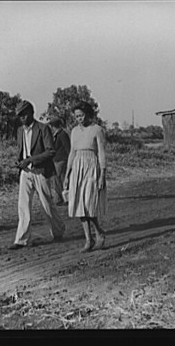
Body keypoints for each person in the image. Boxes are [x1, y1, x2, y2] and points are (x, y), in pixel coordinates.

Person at [9, 100, 65, 250]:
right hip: (25, 172)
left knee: (47, 203)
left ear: (31, 113)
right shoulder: (20, 130)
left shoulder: (43, 128)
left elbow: (50, 151)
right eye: (19, 116)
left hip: (41, 171)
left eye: (24, 115)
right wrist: (20, 161)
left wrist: (30, 160)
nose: (22, 118)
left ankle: (58, 231)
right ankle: (21, 239)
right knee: (23, 205)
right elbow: (22, 150)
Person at [64, 102, 107, 253]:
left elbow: (101, 153)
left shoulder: (97, 130)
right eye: (76, 116)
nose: (79, 119)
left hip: (91, 167)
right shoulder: (74, 131)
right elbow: (72, 153)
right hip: (77, 167)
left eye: (81, 115)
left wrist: (102, 174)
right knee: (79, 204)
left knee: (89, 204)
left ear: (88, 114)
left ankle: (99, 232)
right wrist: (67, 174)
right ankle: (89, 240)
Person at [47, 117, 71, 206]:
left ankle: (64, 199)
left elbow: (68, 148)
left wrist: (70, 161)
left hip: (61, 160)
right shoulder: (57, 134)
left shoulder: (62, 134)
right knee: (57, 180)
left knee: (60, 179)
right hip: (57, 160)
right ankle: (62, 198)